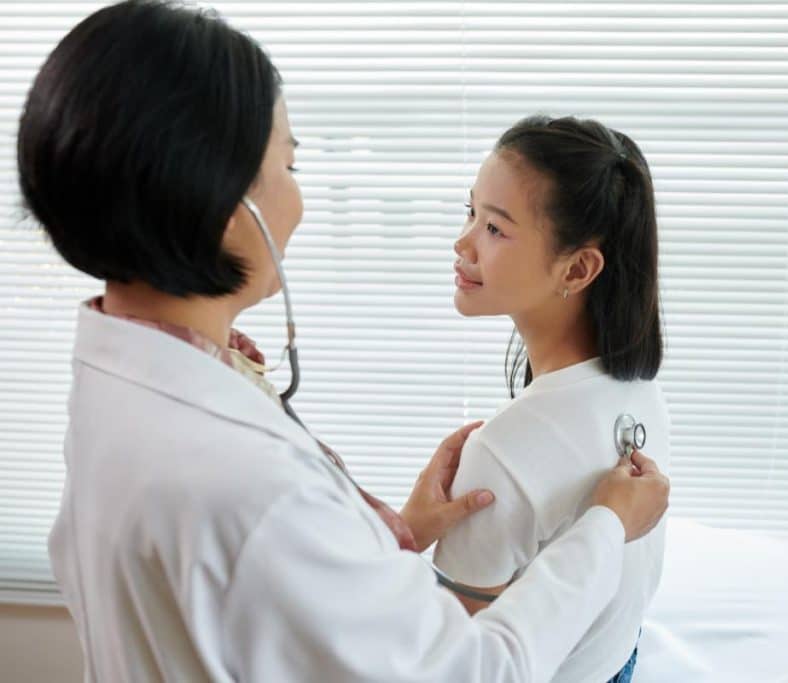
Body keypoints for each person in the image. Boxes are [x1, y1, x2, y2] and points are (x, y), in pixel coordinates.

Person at [17, 2, 670, 681]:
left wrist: (389, 536)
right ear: (226, 206)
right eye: (290, 165)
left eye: (494, 225)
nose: (298, 200)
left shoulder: (128, 372)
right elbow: (476, 669)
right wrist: (605, 527)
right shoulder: (249, 485)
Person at [433, 116, 669, 683]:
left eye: (494, 228)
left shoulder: (500, 451)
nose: (462, 242)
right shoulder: (640, 392)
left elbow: (457, 661)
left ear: (579, 268)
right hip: (616, 660)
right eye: (471, 213)